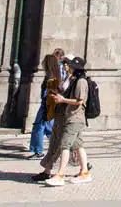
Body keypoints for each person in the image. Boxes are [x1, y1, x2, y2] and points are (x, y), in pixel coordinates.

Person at [39, 58, 91, 186]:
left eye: (71, 66)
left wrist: (63, 100)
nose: (68, 67)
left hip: (75, 118)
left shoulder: (81, 82)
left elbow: (80, 101)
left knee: (64, 145)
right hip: (72, 118)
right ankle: (84, 172)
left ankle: (60, 175)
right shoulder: (75, 80)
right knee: (78, 146)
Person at [27, 49, 65, 158]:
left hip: (47, 105)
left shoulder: (51, 77)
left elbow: (49, 94)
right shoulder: (54, 75)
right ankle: (60, 148)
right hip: (50, 106)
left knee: (39, 127)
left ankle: (39, 151)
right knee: (49, 129)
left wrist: (47, 108)